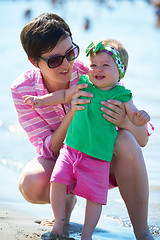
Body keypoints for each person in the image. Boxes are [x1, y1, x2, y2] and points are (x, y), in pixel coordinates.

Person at [10, 13, 154, 240]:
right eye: (55, 60)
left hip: (102, 161)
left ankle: (143, 231)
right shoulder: (22, 90)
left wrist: (125, 122)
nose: (66, 64)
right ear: (34, 61)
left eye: (70, 53)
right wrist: (73, 113)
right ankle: (63, 211)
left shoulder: (97, 71)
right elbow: (48, 151)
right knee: (32, 182)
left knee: (126, 139)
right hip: (66, 161)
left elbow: (142, 140)